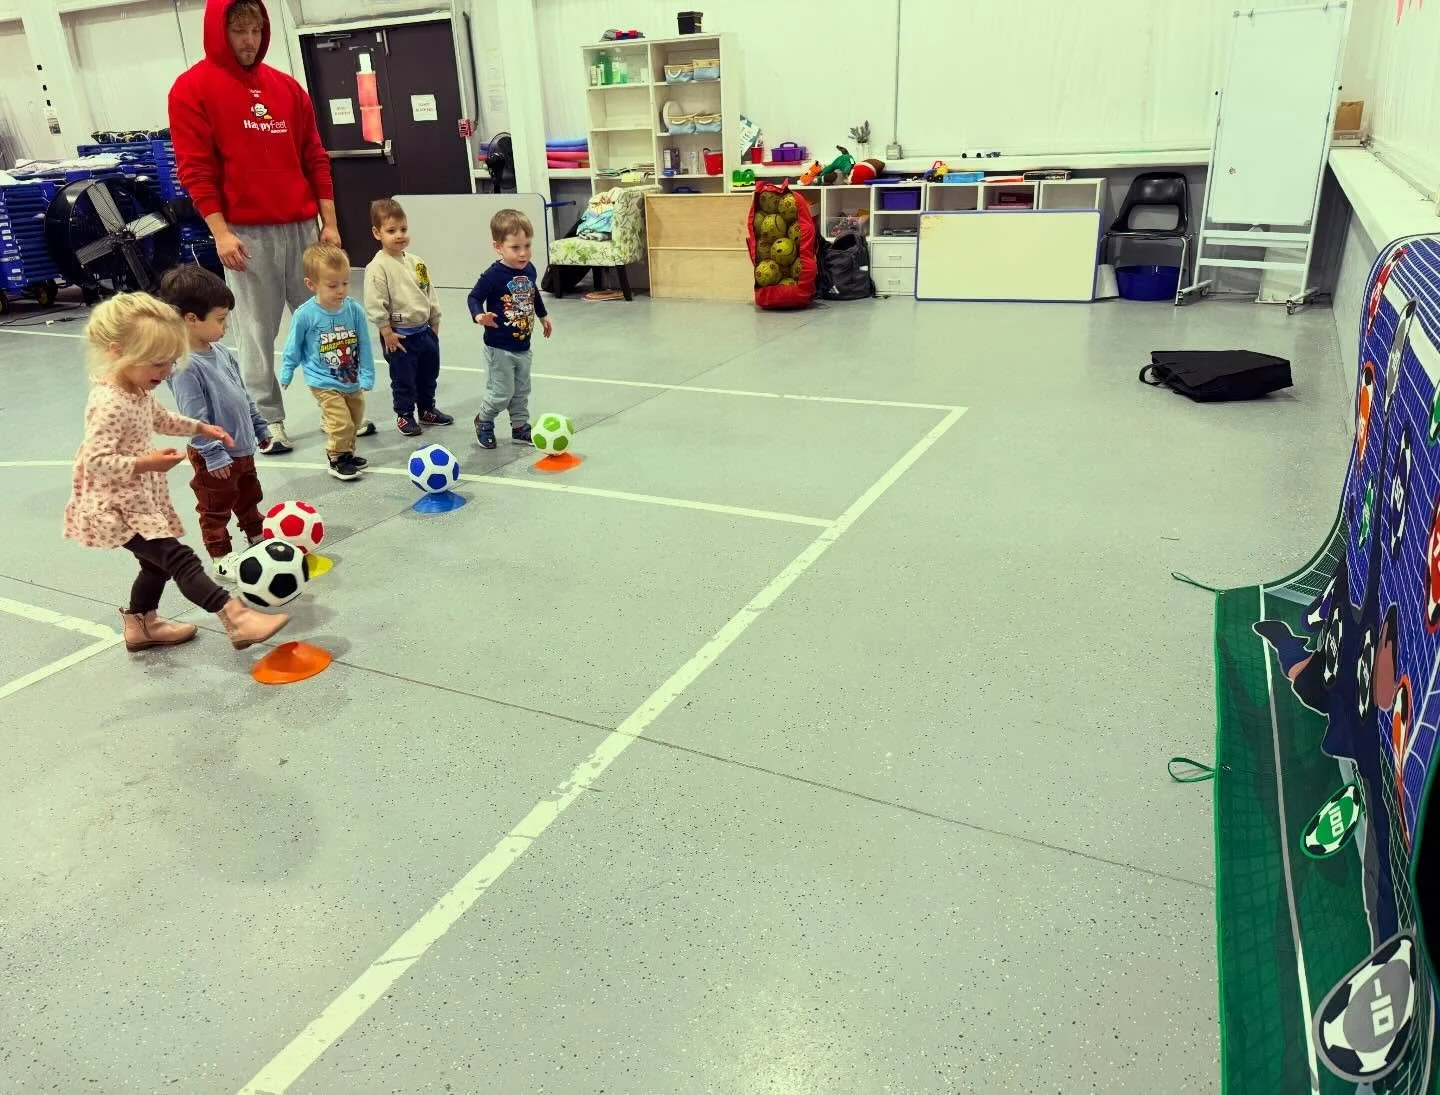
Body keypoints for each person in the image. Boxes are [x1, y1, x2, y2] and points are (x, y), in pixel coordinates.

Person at [168, 0, 372, 451]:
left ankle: (338, 405)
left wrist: (330, 223)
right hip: (246, 234)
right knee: (256, 334)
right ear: (219, 32)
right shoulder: (192, 89)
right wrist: (221, 232)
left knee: (328, 323)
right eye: (239, 31)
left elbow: (314, 157)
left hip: (303, 229)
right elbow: (195, 169)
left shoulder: (286, 88)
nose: (249, 41)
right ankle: (268, 420)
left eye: (256, 30)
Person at [63, 292, 290, 653]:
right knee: (178, 558)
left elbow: (161, 418)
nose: (165, 372)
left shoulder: (135, 389)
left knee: (156, 566)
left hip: (135, 497)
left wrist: (199, 429)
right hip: (116, 504)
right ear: (117, 351)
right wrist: (145, 463)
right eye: (156, 363)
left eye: (170, 363)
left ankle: (141, 623)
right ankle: (237, 619)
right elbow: (95, 460)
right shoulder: (110, 403)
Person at [158, 264, 275, 583]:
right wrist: (212, 453)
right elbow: (193, 418)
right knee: (215, 507)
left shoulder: (221, 352)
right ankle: (221, 555)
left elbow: (241, 394)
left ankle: (256, 537)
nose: (226, 326)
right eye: (220, 320)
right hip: (215, 457)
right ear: (191, 319)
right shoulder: (184, 367)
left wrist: (259, 426)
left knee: (249, 496)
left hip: (241, 447)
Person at [281, 244, 375, 481]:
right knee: (340, 422)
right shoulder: (306, 314)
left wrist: (367, 374)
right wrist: (287, 370)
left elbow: (364, 343)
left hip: (350, 378)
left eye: (345, 283)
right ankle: (336, 457)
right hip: (322, 379)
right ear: (311, 285)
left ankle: (347, 453)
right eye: (332, 285)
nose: (341, 290)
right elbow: (293, 344)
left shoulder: (354, 310)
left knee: (354, 418)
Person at [363, 197, 453, 437]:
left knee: (428, 373)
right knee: (404, 379)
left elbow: (428, 291)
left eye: (403, 229)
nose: (399, 235)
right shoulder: (378, 267)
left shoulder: (417, 263)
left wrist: (435, 321)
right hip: (399, 336)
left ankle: (427, 409)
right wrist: (386, 332)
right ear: (377, 233)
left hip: (424, 331)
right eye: (391, 231)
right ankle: (404, 415)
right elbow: (375, 302)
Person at [466, 209, 553, 450]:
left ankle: (519, 427)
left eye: (527, 245)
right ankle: (484, 420)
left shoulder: (529, 269)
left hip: (523, 345)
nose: (523, 253)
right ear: (498, 247)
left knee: (522, 390)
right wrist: (479, 316)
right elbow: (474, 297)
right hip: (499, 347)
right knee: (501, 392)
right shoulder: (494, 275)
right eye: (515, 247)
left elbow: (533, 295)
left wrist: (543, 315)